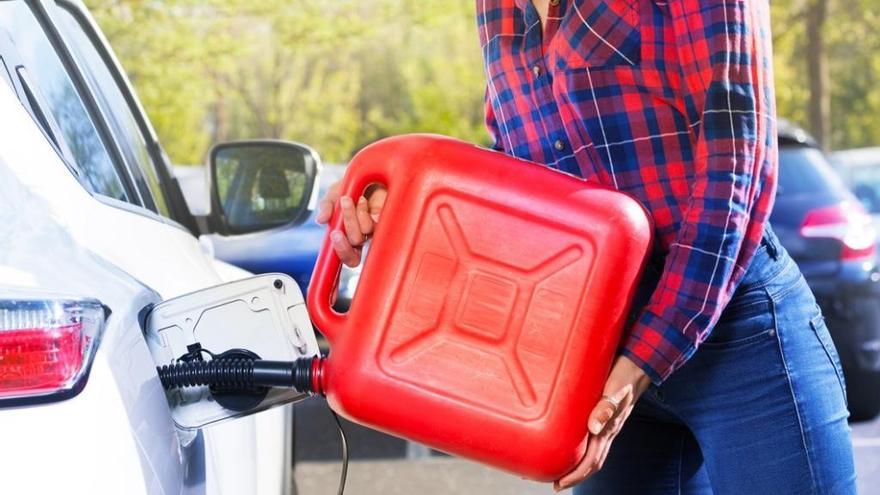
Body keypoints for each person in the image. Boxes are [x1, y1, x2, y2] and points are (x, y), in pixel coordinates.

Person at [317, 1, 857, 493]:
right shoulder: (495, 7)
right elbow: (522, 170)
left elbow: (733, 178)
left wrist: (642, 359)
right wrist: (406, 202)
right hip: (591, 345)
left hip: (738, 337)